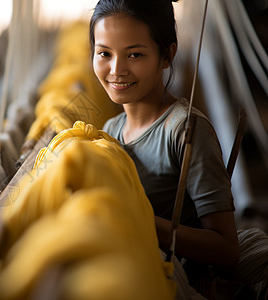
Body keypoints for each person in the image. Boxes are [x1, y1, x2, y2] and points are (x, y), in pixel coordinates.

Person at [89, 0, 239, 287]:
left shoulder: (185, 130)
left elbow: (227, 249)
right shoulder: (110, 130)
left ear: (167, 55)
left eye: (134, 54)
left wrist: (138, 217)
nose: (116, 69)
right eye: (104, 53)